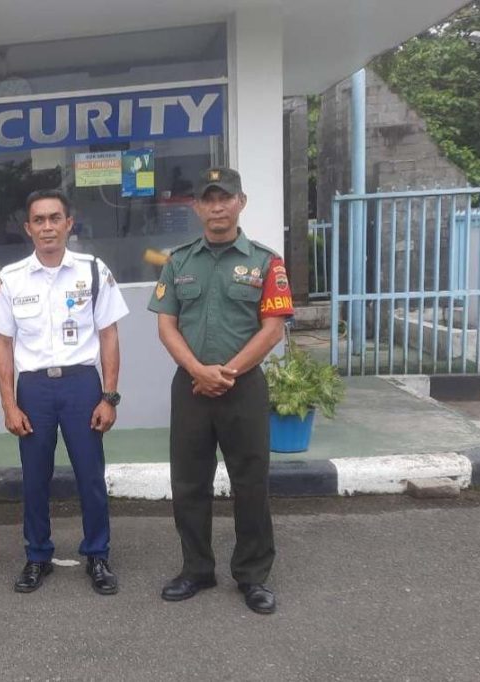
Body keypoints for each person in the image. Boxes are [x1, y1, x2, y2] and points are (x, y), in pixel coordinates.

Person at [148, 167, 294, 615]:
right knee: (189, 482)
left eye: (225, 198)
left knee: (251, 482)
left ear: (240, 203)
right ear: (196, 207)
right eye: (208, 200)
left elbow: (272, 330)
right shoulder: (178, 262)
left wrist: (225, 373)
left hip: (242, 387)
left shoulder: (266, 262)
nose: (217, 207)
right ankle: (196, 569)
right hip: (191, 387)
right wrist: (198, 370)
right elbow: (166, 325)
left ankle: (252, 575)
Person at [0, 189, 129, 595]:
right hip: (34, 389)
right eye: (39, 220)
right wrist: (9, 405)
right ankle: (37, 556)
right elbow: (2, 346)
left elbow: (109, 335)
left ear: (69, 223)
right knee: (34, 479)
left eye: (54, 218)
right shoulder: (11, 279)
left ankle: (97, 555)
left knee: (90, 476)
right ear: (28, 228)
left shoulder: (93, 271)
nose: (47, 227)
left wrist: (109, 396)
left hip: (82, 385)